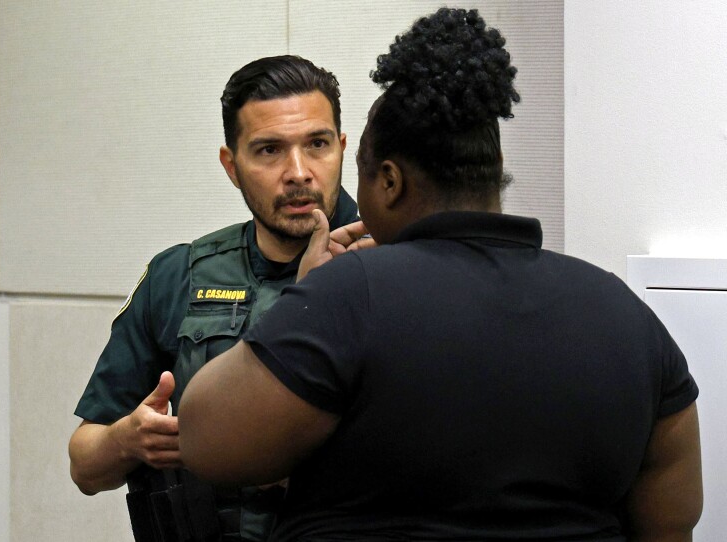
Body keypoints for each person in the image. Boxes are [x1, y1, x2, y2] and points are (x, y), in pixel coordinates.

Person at [178, 8, 703, 541]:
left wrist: (307, 294)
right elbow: (672, 524)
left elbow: (208, 443)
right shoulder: (628, 317)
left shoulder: (349, 293)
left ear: (388, 182)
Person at [68, 55, 358, 542]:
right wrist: (128, 440)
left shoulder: (387, 270)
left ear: (342, 148)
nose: (299, 172)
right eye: (268, 150)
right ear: (232, 165)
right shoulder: (177, 275)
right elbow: (84, 464)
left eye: (318, 145)